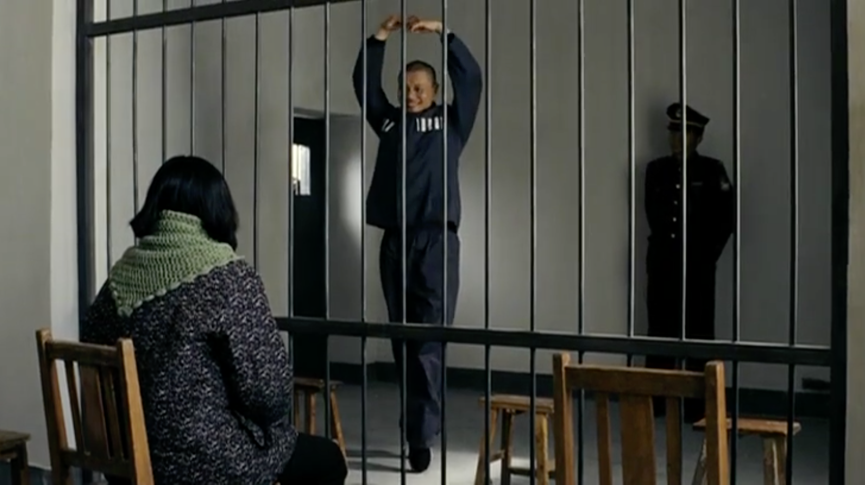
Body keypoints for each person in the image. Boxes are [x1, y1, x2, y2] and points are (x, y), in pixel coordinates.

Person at [81, 156, 348, 485]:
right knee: (328, 460)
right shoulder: (227, 276)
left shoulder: (117, 283)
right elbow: (269, 396)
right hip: (204, 464)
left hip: (126, 464)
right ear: (217, 208)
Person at [352, 14, 482, 472]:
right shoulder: (389, 122)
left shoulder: (451, 122)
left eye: (420, 89)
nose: (411, 95)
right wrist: (380, 38)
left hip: (435, 244)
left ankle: (421, 433)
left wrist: (446, 34)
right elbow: (365, 88)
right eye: (406, 88)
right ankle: (417, 426)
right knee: (403, 340)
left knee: (428, 341)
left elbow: (472, 79)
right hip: (395, 244)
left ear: (435, 91)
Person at [644, 103, 734, 422]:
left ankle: (698, 407)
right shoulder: (656, 170)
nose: (675, 139)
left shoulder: (712, 170)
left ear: (698, 137)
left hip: (697, 267)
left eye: (683, 133)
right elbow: (653, 215)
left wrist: (705, 256)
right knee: (660, 331)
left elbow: (725, 220)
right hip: (663, 264)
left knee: (698, 333)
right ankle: (657, 403)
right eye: (672, 132)